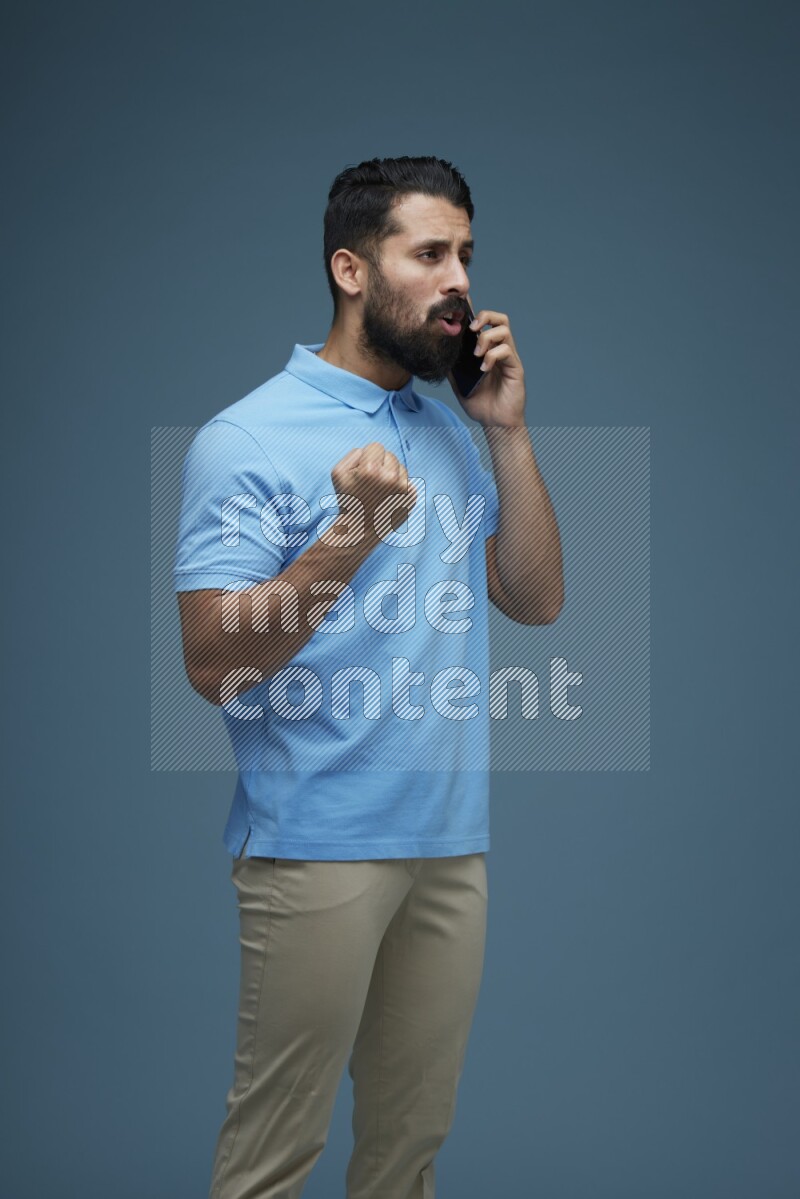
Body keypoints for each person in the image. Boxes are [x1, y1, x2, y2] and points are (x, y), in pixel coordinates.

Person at [174, 155, 563, 1199]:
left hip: (448, 841)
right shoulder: (247, 436)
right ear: (351, 268)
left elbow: (533, 600)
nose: (458, 282)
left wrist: (507, 432)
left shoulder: (448, 429)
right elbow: (214, 664)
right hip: (315, 843)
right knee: (272, 1159)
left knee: (407, 1154)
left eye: (465, 255)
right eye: (428, 253)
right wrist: (348, 534)